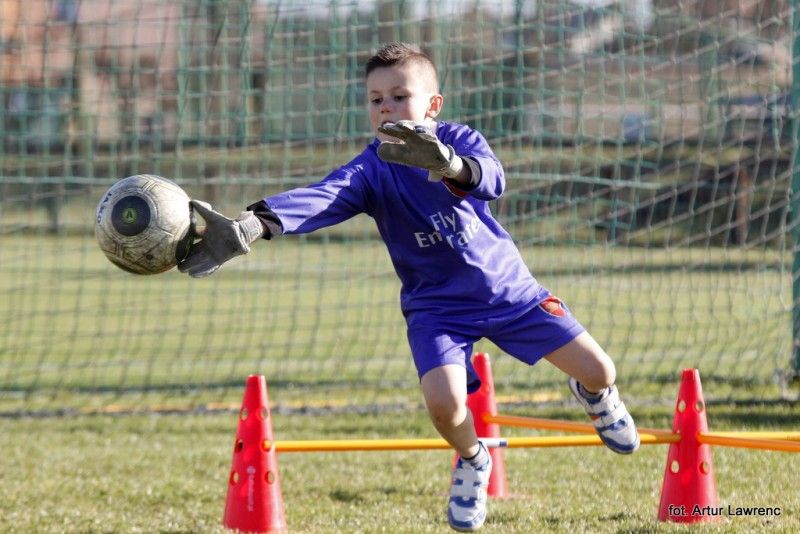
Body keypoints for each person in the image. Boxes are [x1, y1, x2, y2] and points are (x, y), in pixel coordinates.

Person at [179, 42, 640, 532]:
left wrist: (450, 165)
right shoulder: (370, 169)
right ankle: (474, 459)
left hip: (511, 295)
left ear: (432, 105)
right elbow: (322, 197)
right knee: (444, 406)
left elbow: (493, 180)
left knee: (601, 370)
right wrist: (255, 224)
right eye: (376, 99)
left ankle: (594, 395)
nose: (386, 108)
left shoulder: (460, 139)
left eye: (399, 96)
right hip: (436, 310)